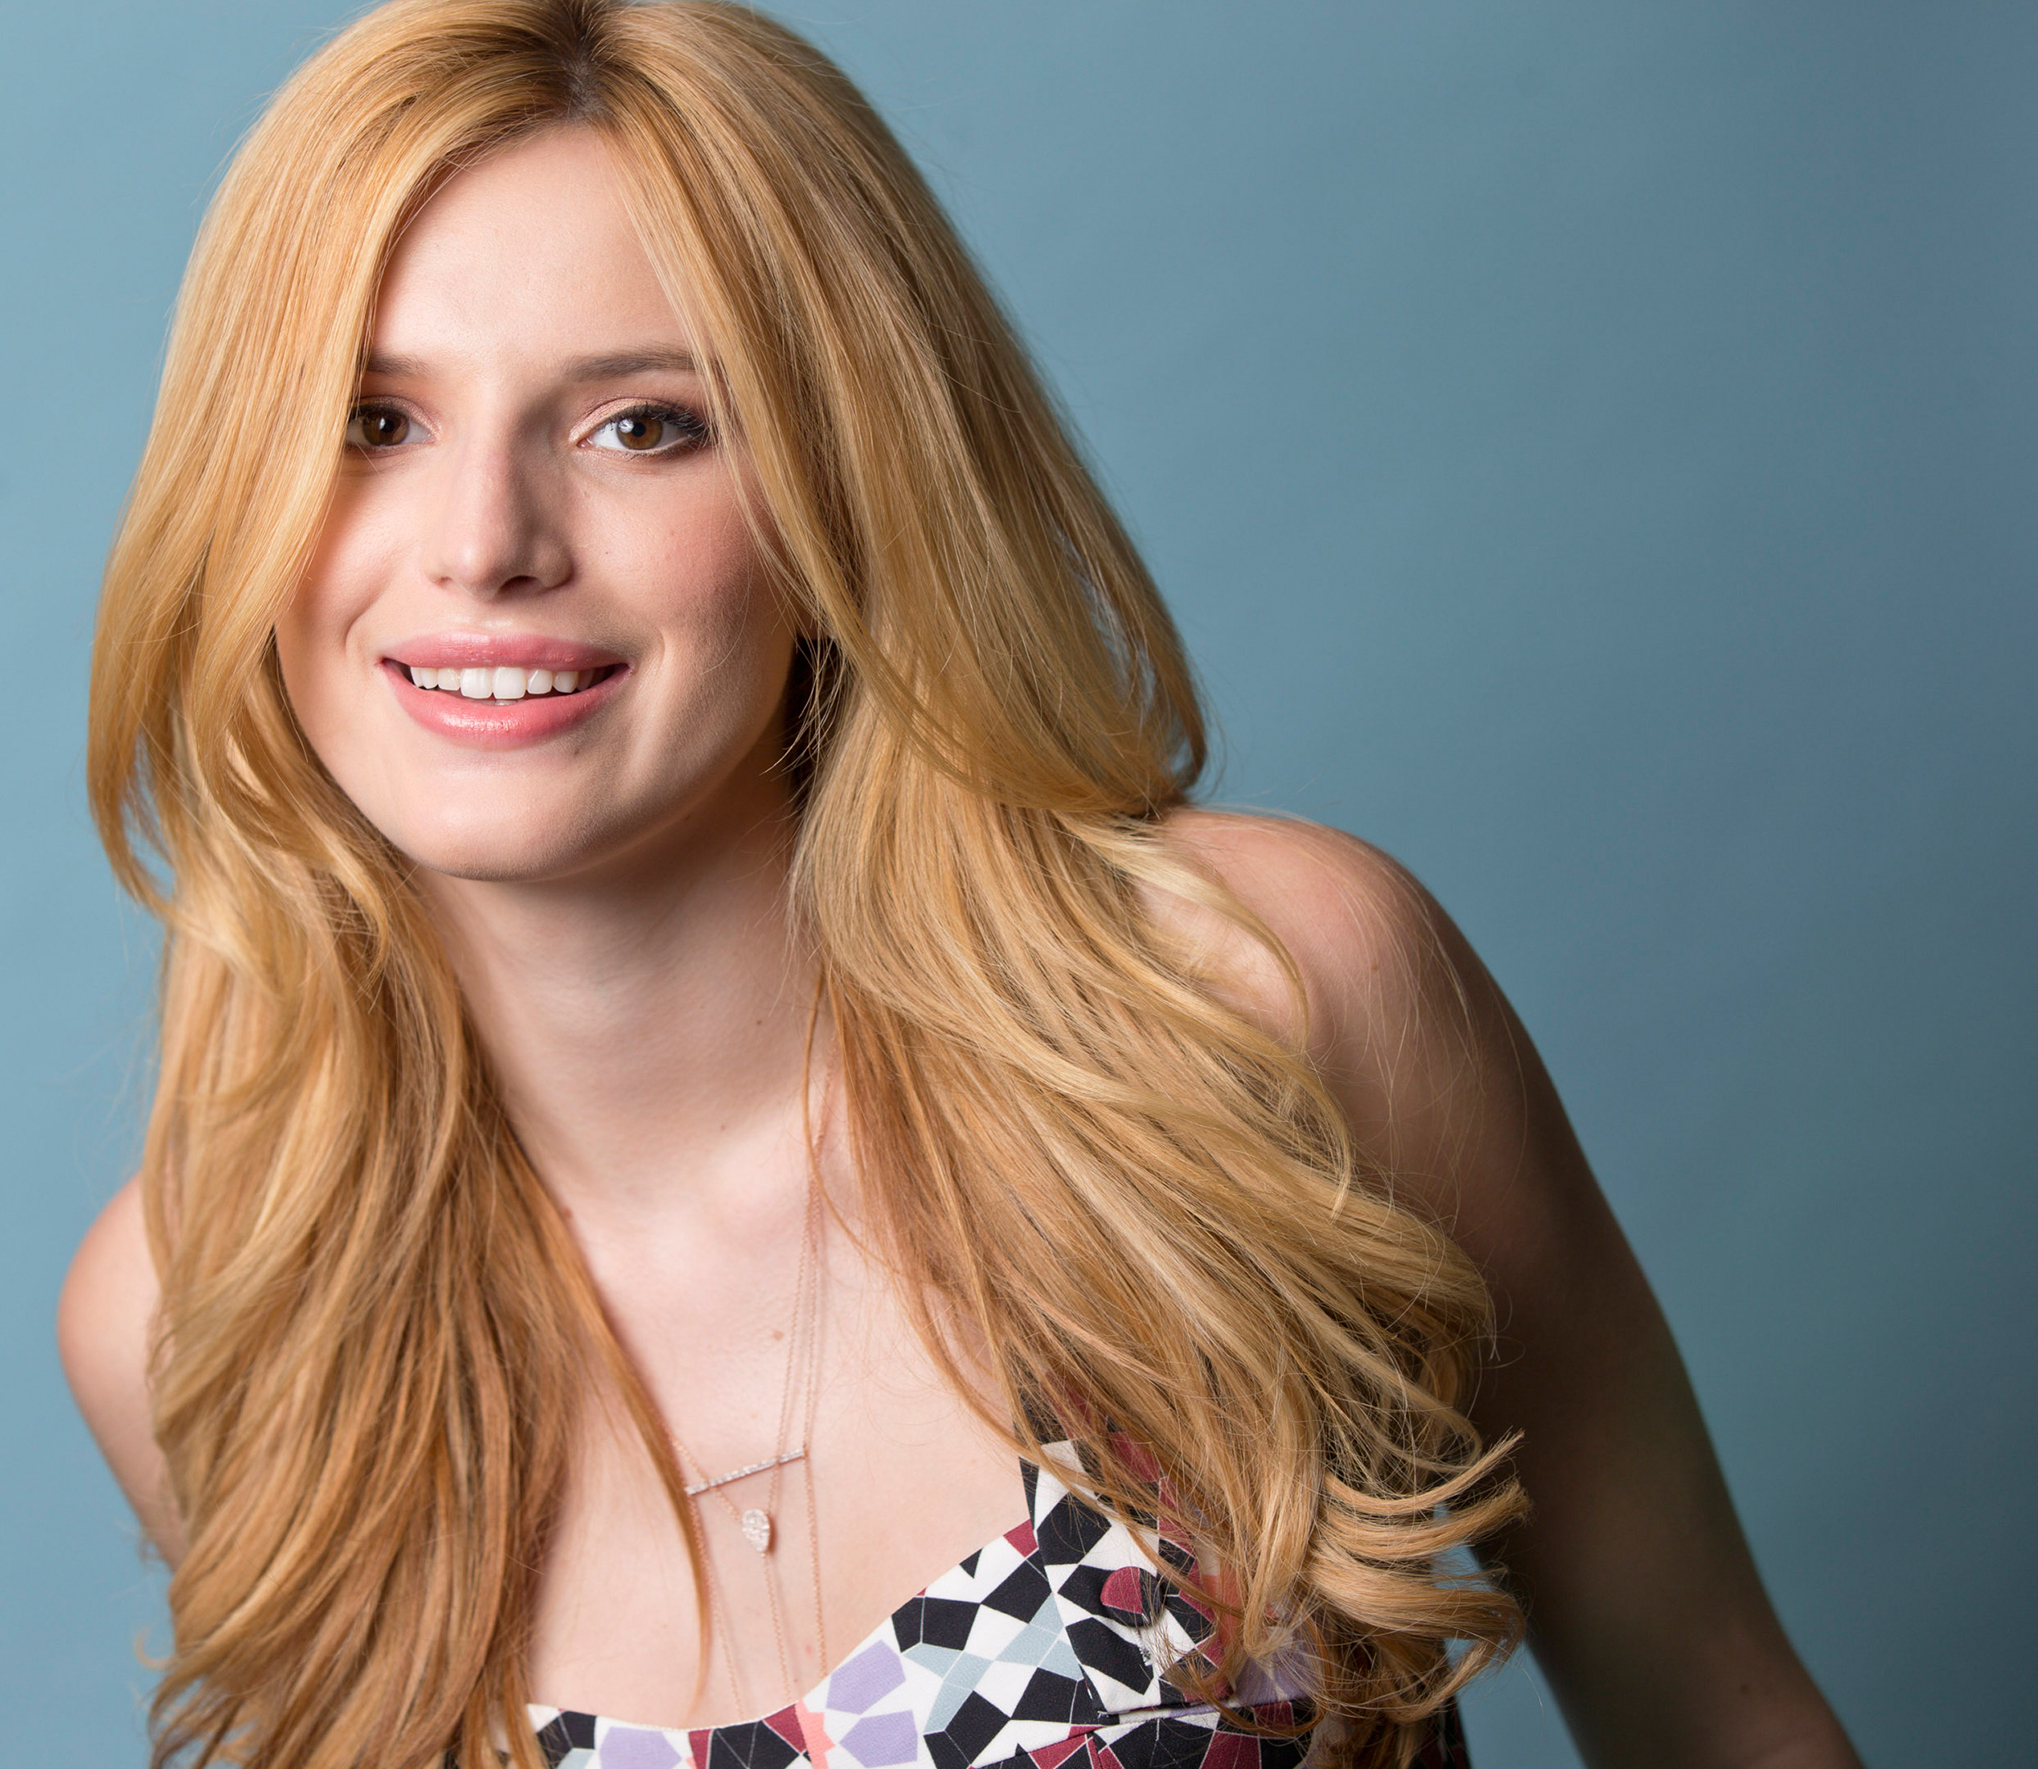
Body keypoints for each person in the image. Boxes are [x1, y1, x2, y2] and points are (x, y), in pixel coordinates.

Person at [57, 3, 1862, 1767]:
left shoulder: (1258, 1016)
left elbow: (1725, 1719)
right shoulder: (205, 1310)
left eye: (644, 424)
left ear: (845, 484)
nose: (483, 544)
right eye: (374, 421)